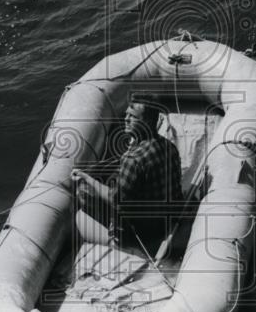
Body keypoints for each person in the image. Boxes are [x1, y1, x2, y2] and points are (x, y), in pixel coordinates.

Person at [71, 97, 183, 253]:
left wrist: (87, 178)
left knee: (80, 207)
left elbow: (115, 200)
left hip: (140, 237)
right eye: (126, 114)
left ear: (148, 121)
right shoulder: (169, 146)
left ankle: (115, 245)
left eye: (133, 117)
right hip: (165, 223)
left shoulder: (132, 160)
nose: (126, 119)